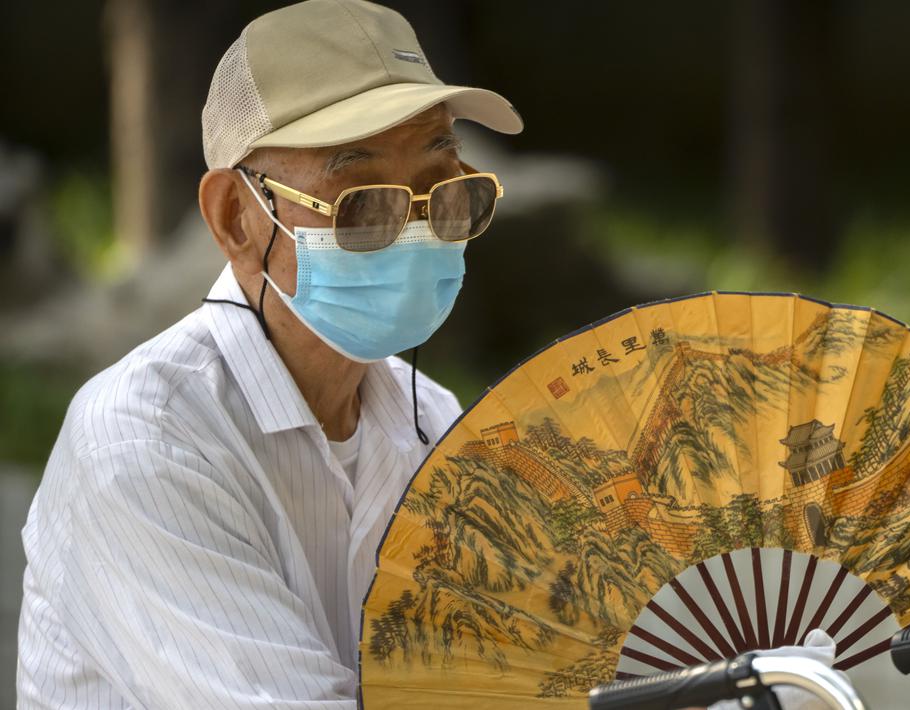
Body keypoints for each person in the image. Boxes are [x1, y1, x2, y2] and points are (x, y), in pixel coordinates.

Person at [17, 1, 841, 707]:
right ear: (237, 218)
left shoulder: (430, 424)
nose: (413, 234)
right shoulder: (145, 444)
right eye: (362, 199)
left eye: (444, 192)